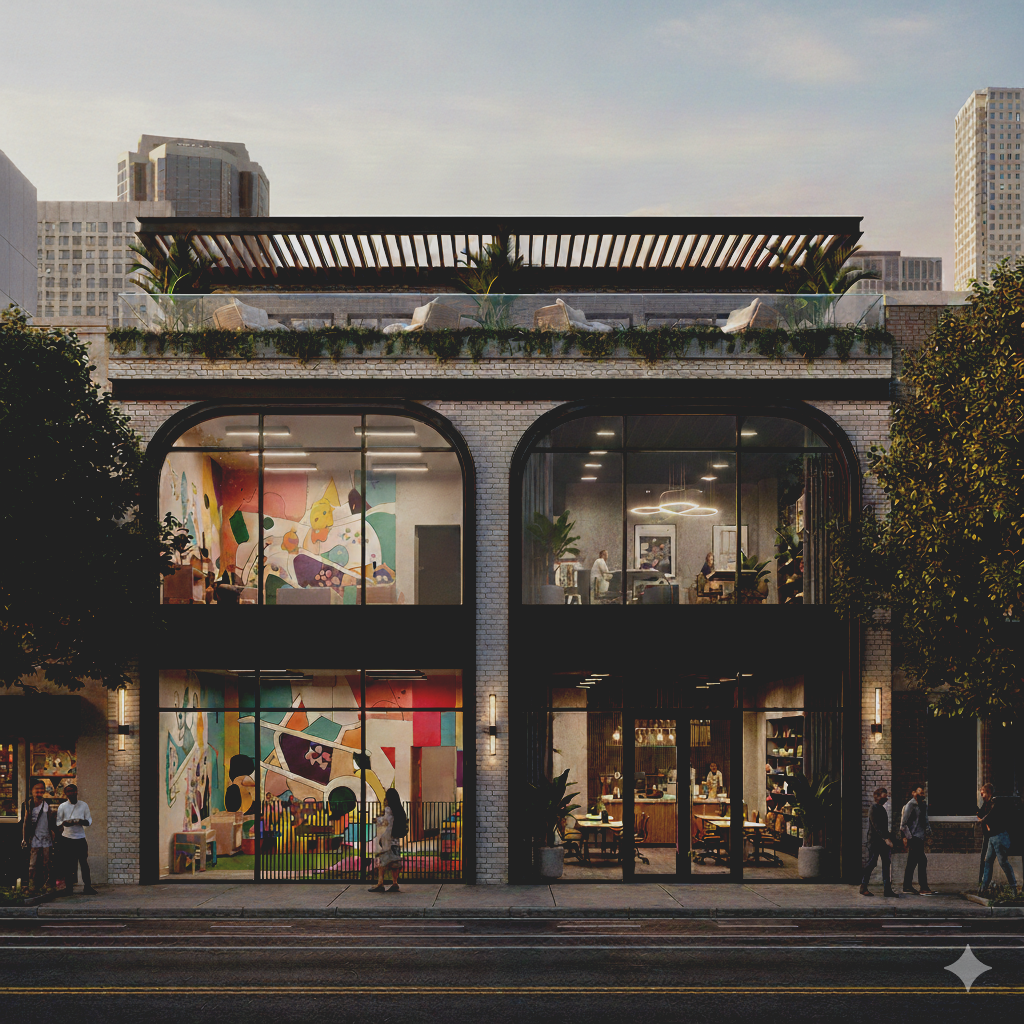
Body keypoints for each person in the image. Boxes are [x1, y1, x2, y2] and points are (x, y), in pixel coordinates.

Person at [978, 783, 1019, 896]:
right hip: (992, 837)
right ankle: (983, 888)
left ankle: (1013, 888)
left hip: (999, 836)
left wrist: (984, 819)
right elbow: (980, 813)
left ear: (988, 793)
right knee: (988, 861)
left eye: (983, 794)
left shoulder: (996, 802)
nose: (982, 796)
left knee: (1003, 862)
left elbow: (992, 814)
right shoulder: (987, 804)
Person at [56, 784, 97, 895]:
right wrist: (65, 823)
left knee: (83, 863)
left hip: (80, 838)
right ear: (66, 793)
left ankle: (87, 886)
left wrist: (80, 821)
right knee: (68, 864)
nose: (71, 793)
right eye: (68, 791)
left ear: (76, 792)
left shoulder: (83, 805)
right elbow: (58, 822)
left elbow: (89, 821)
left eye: (73, 791)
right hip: (67, 838)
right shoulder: (62, 806)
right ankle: (69, 888)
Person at [860, 787, 898, 897]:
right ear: (877, 796)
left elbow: (884, 827)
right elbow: (877, 827)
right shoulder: (873, 808)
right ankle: (863, 886)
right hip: (875, 842)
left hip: (883, 842)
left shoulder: (882, 809)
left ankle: (887, 890)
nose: (885, 798)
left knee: (886, 864)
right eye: (883, 796)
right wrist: (886, 839)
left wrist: (888, 838)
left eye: (886, 796)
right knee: (872, 863)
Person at [900, 785, 938, 895]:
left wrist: (928, 831)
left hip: (921, 837)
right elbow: (903, 824)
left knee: (912, 862)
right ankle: (923, 887)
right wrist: (908, 838)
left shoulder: (923, 805)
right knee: (922, 860)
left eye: (923, 793)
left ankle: (907, 886)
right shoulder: (910, 805)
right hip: (913, 837)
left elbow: (925, 820)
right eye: (920, 793)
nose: (922, 795)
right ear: (913, 793)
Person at [368, 788, 408, 893]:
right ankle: (395, 883)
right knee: (394, 863)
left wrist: (377, 820)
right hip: (395, 841)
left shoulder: (389, 809)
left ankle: (380, 883)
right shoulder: (400, 810)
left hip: (388, 841)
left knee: (382, 863)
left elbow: (386, 821)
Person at [20, 781, 57, 892]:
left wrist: (54, 833)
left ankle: (46, 885)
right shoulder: (27, 804)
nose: (39, 791)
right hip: (34, 838)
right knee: (32, 864)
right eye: (37, 789)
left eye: (41, 789)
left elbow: (52, 821)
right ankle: (32, 885)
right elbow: (25, 823)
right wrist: (24, 838)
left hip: (47, 837)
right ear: (32, 790)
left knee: (47, 863)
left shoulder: (48, 804)